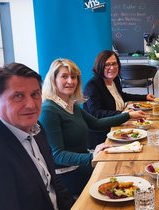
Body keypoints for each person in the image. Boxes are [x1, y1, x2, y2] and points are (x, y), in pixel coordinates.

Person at [39, 58, 146, 196]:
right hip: (68, 176)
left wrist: (128, 115)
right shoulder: (49, 110)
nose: (70, 81)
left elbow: (96, 123)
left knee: (131, 173)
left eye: (73, 77)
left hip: (82, 166)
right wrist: (91, 157)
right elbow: (57, 155)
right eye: (64, 76)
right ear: (53, 80)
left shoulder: (70, 104)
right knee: (126, 181)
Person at [0, 63, 74, 210]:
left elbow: (52, 182)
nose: (31, 105)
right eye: (18, 96)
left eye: (35, 94)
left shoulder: (36, 128)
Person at [83, 50, 155, 148]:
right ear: (100, 66)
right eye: (107, 65)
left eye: (114, 63)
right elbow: (96, 113)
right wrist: (124, 115)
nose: (112, 67)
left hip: (118, 126)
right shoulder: (92, 86)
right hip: (102, 135)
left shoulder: (114, 79)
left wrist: (145, 97)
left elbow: (122, 96)